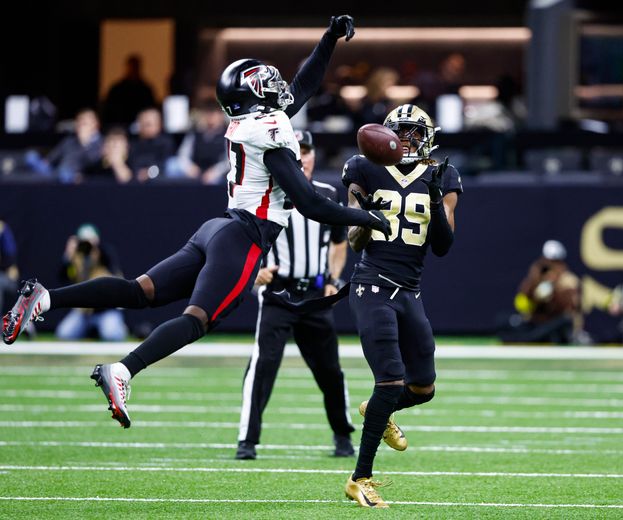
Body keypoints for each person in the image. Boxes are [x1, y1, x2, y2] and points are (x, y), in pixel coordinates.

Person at [2, 16, 392, 432]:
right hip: (244, 237)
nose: (277, 87)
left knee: (140, 291)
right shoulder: (268, 133)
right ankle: (124, 370)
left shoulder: (252, 121)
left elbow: (303, 85)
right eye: (266, 82)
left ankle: (45, 299)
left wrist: (329, 39)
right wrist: (369, 216)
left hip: (218, 229)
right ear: (253, 94)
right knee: (196, 320)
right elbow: (312, 202)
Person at [341, 104, 463, 508]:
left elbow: (443, 246)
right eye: (400, 132)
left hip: (410, 291)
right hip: (372, 284)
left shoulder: (442, 174)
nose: (407, 141)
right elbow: (354, 238)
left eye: (414, 133)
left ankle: (377, 408)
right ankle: (360, 478)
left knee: (423, 387)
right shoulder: (364, 168)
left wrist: (432, 198)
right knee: (391, 380)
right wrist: (366, 216)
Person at [235, 130, 355, 461]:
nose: (301, 156)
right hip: (278, 293)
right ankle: (247, 441)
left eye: (306, 150)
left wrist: (333, 277)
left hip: (315, 295)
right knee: (261, 368)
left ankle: (343, 435)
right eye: (295, 150)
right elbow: (240, 236)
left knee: (330, 371)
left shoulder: (328, 193)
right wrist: (254, 271)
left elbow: (339, 241)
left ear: (314, 155)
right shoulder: (265, 195)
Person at [498, 240, 582, 345]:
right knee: (504, 320)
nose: (551, 266)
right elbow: (523, 301)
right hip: (536, 322)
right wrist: (535, 282)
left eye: (554, 262)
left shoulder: (569, 280)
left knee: (565, 321)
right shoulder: (536, 276)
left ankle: (532, 338)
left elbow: (570, 310)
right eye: (547, 262)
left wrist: (555, 289)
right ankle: (528, 337)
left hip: (553, 323)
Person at [55, 224, 128, 342]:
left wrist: (96, 247)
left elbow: (112, 266)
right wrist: (68, 255)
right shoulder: (75, 258)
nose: (86, 245)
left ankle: (118, 326)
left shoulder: (103, 253)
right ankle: (91, 331)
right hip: (83, 311)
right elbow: (63, 277)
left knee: (112, 336)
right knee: (64, 334)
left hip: (105, 310)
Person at [27, 108, 103, 183]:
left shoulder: (101, 143)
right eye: (79, 122)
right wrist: (46, 163)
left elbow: (93, 164)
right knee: (31, 156)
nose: (81, 126)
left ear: (96, 124)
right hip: (58, 174)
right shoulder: (69, 141)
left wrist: (84, 142)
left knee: (65, 174)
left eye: (85, 123)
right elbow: (51, 159)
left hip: (78, 179)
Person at [165, 104, 229, 184]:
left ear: (221, 116)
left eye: (214, 113)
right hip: (195, 170)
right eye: (207, 113)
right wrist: (189, 167)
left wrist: (215, 172)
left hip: (216, 173)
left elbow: (228, 161)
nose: (211, 117)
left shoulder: (227, 135)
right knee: (172, 165)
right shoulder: (195, 133)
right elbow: (183, 155)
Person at [102, 54, 157, 129]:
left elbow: (150, 109)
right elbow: (109, 111)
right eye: (131, 67)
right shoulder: (117, 88)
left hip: (141, 127)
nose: (133, 70)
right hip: (120, 126)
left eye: (135, 67)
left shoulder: (146, 89)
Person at [128, 108, 176, 182]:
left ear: (159, 125)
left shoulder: (166, 142)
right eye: (141, 123)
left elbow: (166, 165)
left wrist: (150, 172)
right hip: (135, 183)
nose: (144, 127)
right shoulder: (132, 143)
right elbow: (131, 164)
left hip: (160, 184)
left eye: (148, 124)